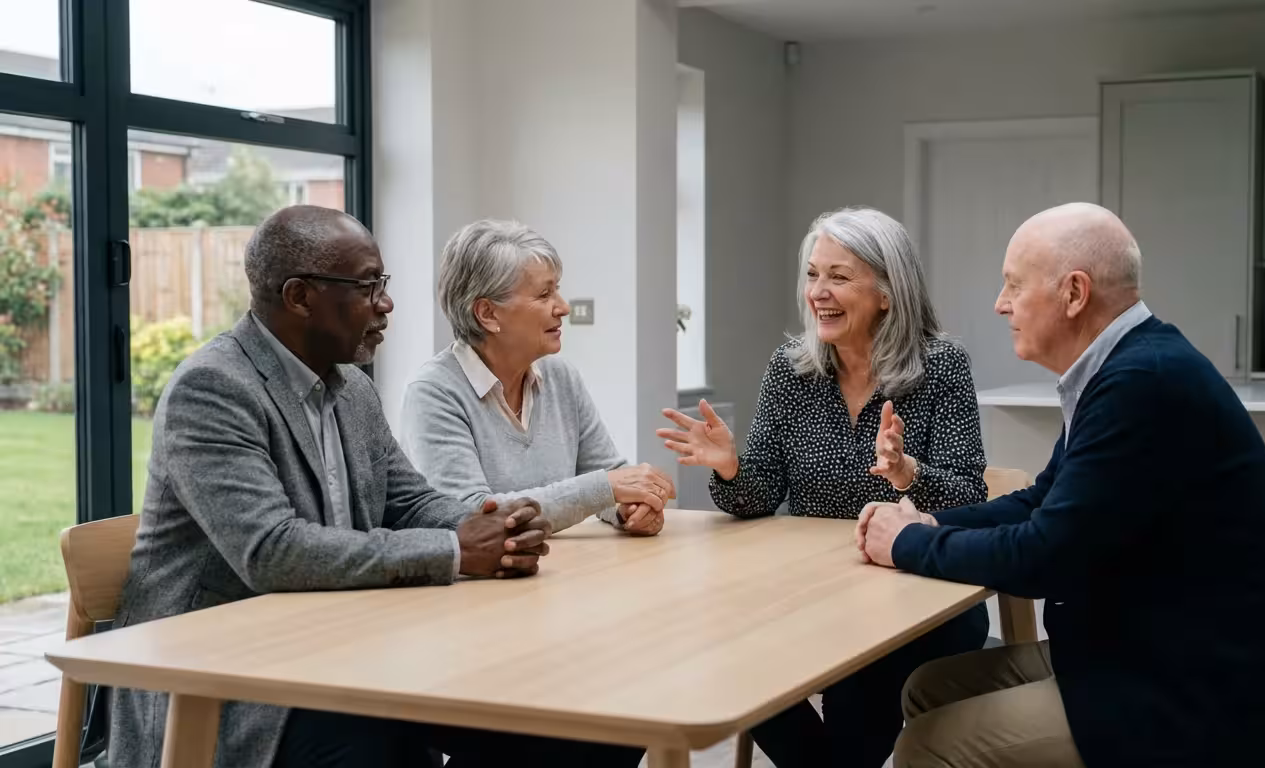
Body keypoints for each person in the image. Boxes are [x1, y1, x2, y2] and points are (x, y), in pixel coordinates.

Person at [109, 206, 642, 768]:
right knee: (384, 745)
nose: (386, 304)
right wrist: (460, 548)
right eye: (368, 287)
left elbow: (408, 500)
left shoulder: (350, 389)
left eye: (382, 285)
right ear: (299, 296)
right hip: (228, 680)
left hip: (338, 646)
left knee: (591, 718)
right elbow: (271, 551)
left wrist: (494, 525)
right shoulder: (214, 388)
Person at [858, 203, 1265, 768]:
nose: (1001, 304)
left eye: (1014, 286)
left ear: (1074, 294)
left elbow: (1047, 557)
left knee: (928, 744)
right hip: (1147, 649)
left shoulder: (1140, 385)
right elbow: (1041, 501)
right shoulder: (1125, 368)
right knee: (926, 689)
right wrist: (929, 523)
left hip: (1197, 692)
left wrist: (906, 543)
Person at [659, 206, 990, 768]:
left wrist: (909, 474)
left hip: (918, 595)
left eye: (839, 276)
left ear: (888, 293)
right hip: (808, 592)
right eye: (813, 275)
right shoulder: (789, 372)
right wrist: (733, 467)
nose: (819, 292)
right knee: (730, 656)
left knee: (853, 700)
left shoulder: (942, 366)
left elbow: (969, 502)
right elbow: (760, 497)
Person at [400, 219, 674, 536]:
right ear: (487, 314)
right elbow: (469, 514)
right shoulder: (433, 392)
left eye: (556, 290)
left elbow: (608, 476)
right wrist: (606, 489)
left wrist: (630, 508)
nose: (563, 307)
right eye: (544, 295)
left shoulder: (561, 377)